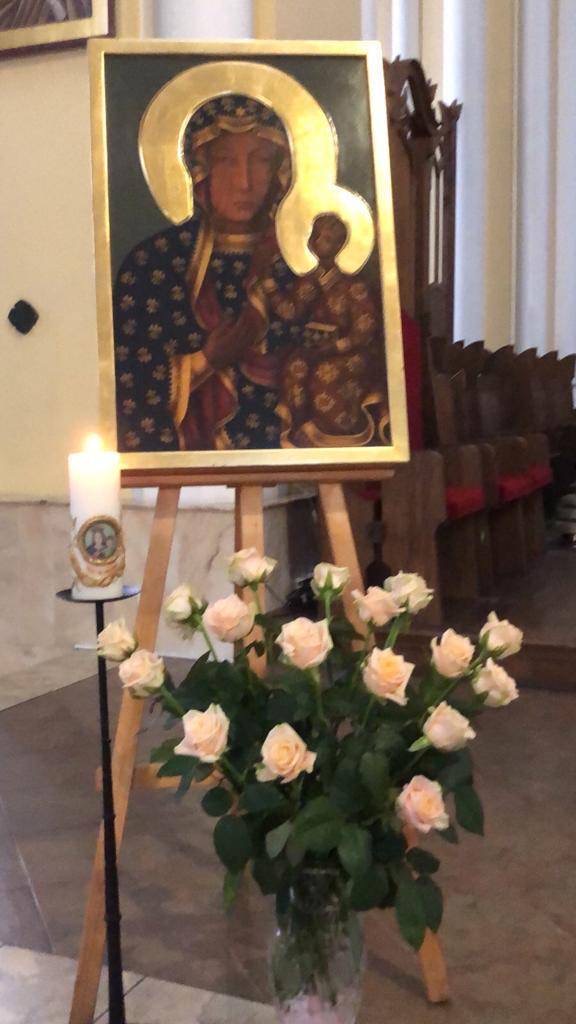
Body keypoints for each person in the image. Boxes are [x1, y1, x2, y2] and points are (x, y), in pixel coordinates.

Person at [113, 94, 387, 452]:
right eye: (226, 161)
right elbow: (130, 382)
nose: (243, 182)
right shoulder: (155, 264)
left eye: (260, 160)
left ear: (280, 171)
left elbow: (358, 352)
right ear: (199, 170)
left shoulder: (299, 266)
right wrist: (205, 361)